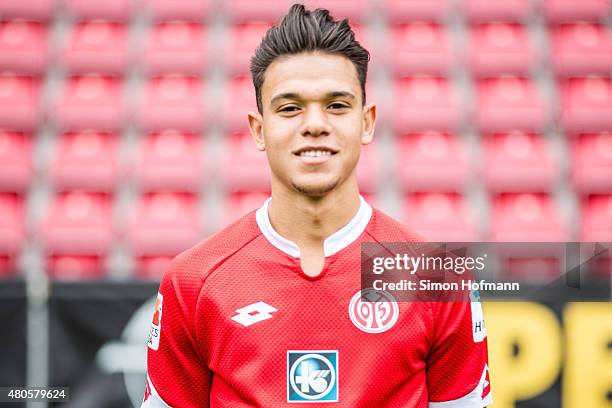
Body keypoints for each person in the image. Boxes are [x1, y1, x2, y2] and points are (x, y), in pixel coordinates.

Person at [141, 4, 492, 407]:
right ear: (259, 129)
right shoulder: (193, 281)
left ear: (367, 122)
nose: (314, 123)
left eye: (337, 105)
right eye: (289, 108)